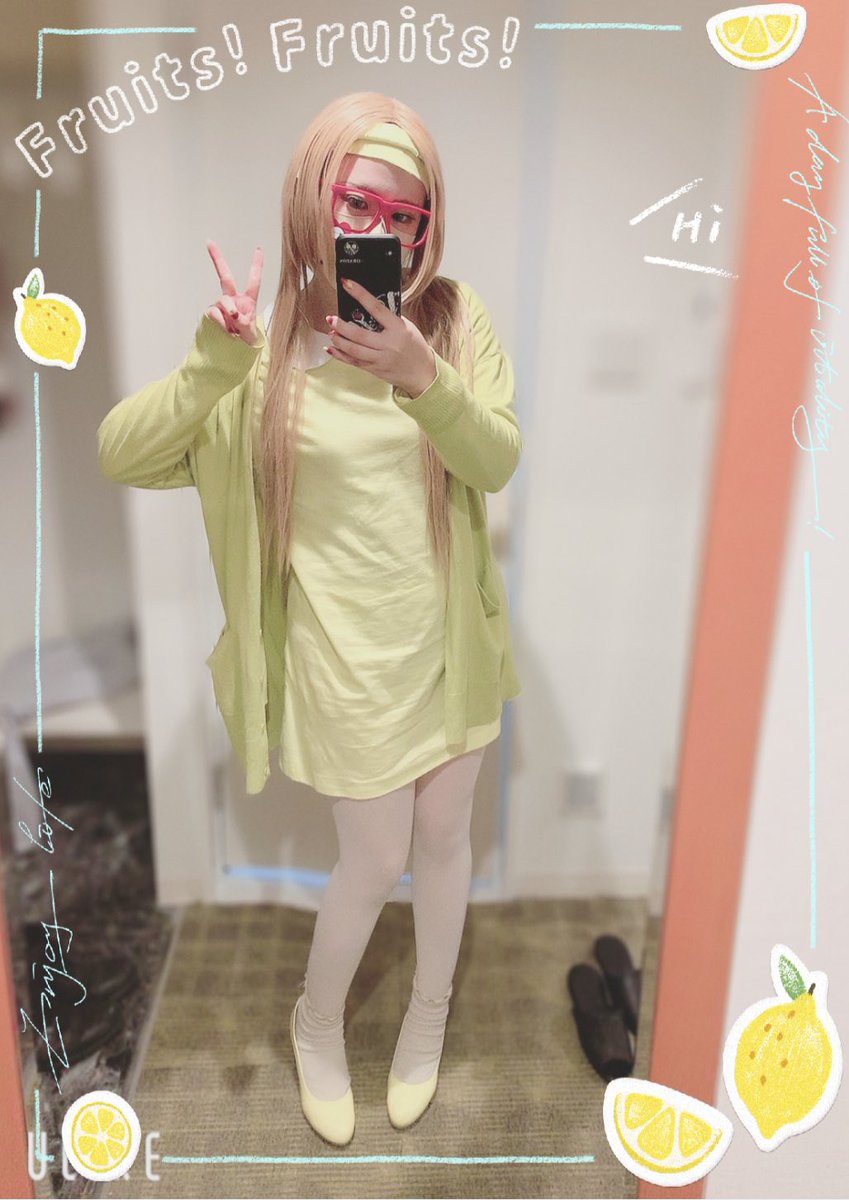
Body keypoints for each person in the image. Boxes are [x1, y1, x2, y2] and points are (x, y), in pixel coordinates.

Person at [96, 91, 522, 1146]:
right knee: (373, 864)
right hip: (340, 668)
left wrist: (425, 380)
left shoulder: (453, 322)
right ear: (310, 197)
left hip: (450, 650)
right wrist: (212, 363)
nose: (384, 232)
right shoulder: (260, 352)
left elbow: (496, 460)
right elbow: (123, 455)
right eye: (358, 204)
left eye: (406, 215)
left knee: (446, 841)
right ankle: (315, 1022)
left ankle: (428, 1014)